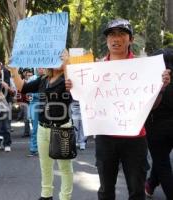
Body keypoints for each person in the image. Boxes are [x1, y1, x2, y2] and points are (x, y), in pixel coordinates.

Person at [65, 18, 169, 200]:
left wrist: (160, 87)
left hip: (136, 138)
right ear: (106, 40)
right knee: (106, 190)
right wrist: (73, 85)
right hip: (105, 137)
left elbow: (153, 106)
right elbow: (80, 96)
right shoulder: (93, 69)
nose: (116, 38)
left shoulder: (145, 68)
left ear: (131, 39)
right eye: (112, 34)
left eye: (121, 34)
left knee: (137, 191)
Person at [11, 62, 73, 200]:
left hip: (61, 128)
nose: (57, 61)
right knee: (45, 165)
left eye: (60, 58)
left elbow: (72, 91)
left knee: (65, 167)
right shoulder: (43, 79)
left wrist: (67, 63)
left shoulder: (68, 78)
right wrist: (13, 70)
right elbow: (22, 87)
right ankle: (46, 195)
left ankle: (65, 197)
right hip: (43, 127)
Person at [144, 48, 173, 199]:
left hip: (156, 130)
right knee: (161, 159)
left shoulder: (152, 82)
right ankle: (150, 184)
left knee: (162, 163)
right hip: (161, 130)